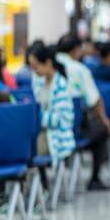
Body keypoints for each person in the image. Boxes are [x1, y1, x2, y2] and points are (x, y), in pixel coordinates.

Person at [57, 34, 110, 191]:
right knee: (102, 129)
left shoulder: (44, 65)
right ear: (75, 50)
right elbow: (94, 99)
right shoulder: (79, 69)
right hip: (71, 129)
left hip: (46, 128)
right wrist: (104, 119)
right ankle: (94, 178)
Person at [29, 44, 76, 189]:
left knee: (24, 149)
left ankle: (38, 189)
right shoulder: (39, 81)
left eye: (36, 66)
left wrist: (37, 117)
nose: (34, 71)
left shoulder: (61, 85)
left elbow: (61, 120)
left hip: (56, 135)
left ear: (48, 63)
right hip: (41, 132)